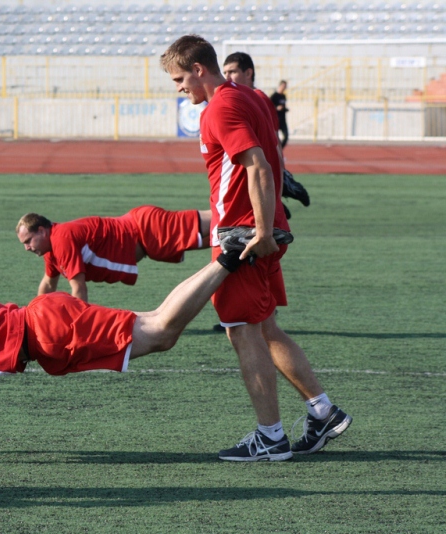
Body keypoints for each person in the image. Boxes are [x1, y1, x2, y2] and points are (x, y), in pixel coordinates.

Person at [0, 249, 247, 463]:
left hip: (48, 332)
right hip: (44, 326)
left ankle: (228, 258)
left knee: (161, 333)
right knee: (156, 323)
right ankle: (226, 257)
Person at [161, 35, 351, 462]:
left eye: (178, 78)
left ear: (198, 69)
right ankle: (322, 411)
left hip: (244, 236)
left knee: (241, 330)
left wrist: (261, 231)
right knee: (265, 326)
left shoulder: (221, 108)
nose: (177, 88)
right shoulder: (251, 97)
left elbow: (258, 166)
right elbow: (271, 159)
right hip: (263, 229)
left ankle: (271, 437)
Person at [16, 206, 211, 302]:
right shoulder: (52, 250)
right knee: (222, 236)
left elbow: (79, 289)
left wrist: (77, 325)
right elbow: (48, 284)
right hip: (146, 238)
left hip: (147, 228)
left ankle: (239, 206)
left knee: (220, 219)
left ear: (42, 231)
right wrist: (35, 314)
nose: (27, 247)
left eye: (28, 241)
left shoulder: (61, 239)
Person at [222, 52, 310, 211]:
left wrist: (279, 176)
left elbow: (274, 140)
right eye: (225, 73)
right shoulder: (238, 98)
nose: (227, 77)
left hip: (261, 173)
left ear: (248, 73)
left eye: (232, 72)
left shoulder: (259, 98)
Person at [270, 80, 290, 148]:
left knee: (286, 136)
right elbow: (269, 107)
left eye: (285, 86)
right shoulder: (274, 96)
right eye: (284, 86)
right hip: (276, 120)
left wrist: (285, 109)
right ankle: (276, 152)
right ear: (280, 86)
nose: (284, 88)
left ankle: (280, 151)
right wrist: (276, 108)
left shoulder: (284, 96)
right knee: (275, 138)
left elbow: (283, 106)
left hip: (283, 120)